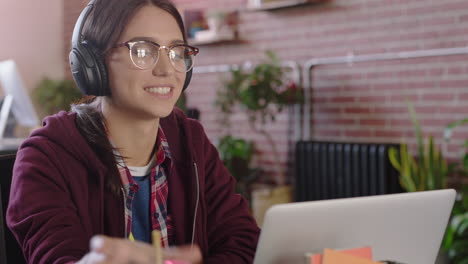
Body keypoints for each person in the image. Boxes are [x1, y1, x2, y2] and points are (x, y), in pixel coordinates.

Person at [6, 0, 260, 263]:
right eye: (142, 51)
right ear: (94, 63)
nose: (166, 69)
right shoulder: (46, 157)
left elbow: (243, 242)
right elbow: (55, 257)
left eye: (176, 52)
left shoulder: (192, 142)